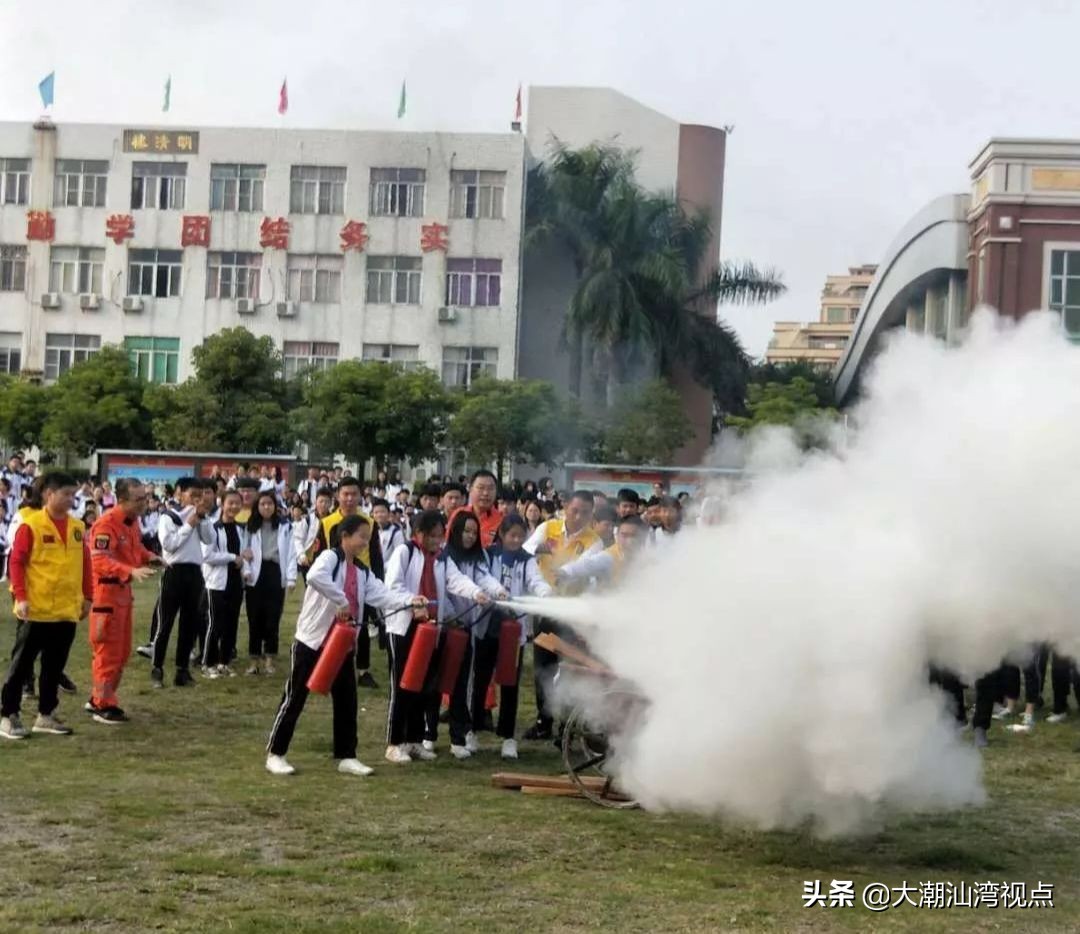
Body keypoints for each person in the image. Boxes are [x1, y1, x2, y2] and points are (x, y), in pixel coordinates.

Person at [266, 514, 428, 777]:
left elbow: (383, 595)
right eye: (361, 536)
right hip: (312, 640)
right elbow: (316, 577)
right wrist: (341, 600)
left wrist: (411, 600)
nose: (365, 542)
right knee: (295, 697)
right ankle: (276, 753)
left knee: (347, 701)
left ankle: (347, 755)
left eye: (368, 537)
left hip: (342, 643)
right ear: (345, 536)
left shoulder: (363, 572)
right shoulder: (330, 558)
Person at [383, 510, 496, 764]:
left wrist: (476, 592)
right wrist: (412, 601)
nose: (436, 541)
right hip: (404, 628)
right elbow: (392, 587)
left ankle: (413, 741)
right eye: (432, 536)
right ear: (418, 533)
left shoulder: (442, 559)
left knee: (423, 688)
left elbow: (456, 581)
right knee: (402, 687)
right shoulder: (406, 552)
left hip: (432, 630)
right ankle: (394, 742)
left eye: (439, 536)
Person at [0, 472, 90, 739]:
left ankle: (46, 714)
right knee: (22, 664)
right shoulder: (31, 524)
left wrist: (88, 596)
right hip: (36, 609)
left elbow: (86, 563)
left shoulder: (77, 527)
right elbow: (16, 562)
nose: (72, 500)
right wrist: (21, 596)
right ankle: (8, 714)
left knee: (54, 666)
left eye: (74, 495)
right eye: (66, 494)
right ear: (48, 494)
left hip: (66, 610)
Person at [522, 489, 602, 740]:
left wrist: (563, 571)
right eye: (575, 510)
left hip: (570, 611)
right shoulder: (548, 528)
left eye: (585, 513)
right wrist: (538, 547)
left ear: (592, 515)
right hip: (545, 607)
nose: (578, 517)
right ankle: (543, 720)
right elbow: (525, 550)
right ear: (566, 507)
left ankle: (566, 726)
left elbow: (583, 566)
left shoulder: (594, 541)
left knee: (569, 668)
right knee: (543, 666)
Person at [477, 514, 552, 759]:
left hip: (513, 632)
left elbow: (536, 581)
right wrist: (496, 591)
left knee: (510, 683)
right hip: (486, 626)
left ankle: (507, 737)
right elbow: (481, 578)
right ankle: (473, 730)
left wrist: (546, 595)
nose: (517, 540)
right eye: (512, 535)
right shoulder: (489, 555)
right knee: (480, 680)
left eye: (521, 536)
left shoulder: (526, 560)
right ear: (502, 534)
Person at [87, 478, 160, 723]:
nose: (144, 503)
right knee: (107, 652)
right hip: (106, 596)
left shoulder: (132, 523)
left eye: (145, 498)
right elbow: (100, 560)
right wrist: (129, 571)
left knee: (122, 653)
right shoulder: (106, 524)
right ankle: (102, 703)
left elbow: (136, 549)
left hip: (123, 596)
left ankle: (102, 697)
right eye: (138, 499)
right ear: (122, 499)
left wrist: (150, 557)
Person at [442, 508, 508, 759]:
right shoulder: (445, 556)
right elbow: (451, 583)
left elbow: (485, 578)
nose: (469, 537)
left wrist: (498, 591)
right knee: (437, 681)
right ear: (455, 532)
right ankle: (427, 733)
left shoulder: (478, 555)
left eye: (473, 532)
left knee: (463, 682)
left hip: (468, 628)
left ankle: (461, 735)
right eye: (465, 531)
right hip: (446, 625)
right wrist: (471, 596)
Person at [314, 477, 383, 689]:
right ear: (338, 496)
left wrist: (378, 580)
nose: (350, 498)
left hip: (364, 581)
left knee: (361, 626)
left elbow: (376, 555)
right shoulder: (326, 523)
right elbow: (318, 553)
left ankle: (363, 670)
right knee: (333, 625)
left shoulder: (369, 523)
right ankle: (329, 663)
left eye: (354, 494)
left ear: (360, 496)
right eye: (345, 494)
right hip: (337, 583)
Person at [151, 477, 214, 689]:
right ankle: (157, 667)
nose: (196, 500)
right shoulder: (169, 516)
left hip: (194, 573)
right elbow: (169, 545)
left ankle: (182, 670)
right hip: (174, 572)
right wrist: (188, 525)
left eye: (200, 495)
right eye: (192, 495)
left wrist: (202, 519)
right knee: (166, 622)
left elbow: (209, 540)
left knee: (189, 623)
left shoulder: (200, 516)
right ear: (180, 493)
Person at [242, 491, 298, 676]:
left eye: (270, 504)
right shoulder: (250, 526)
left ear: (275, 506)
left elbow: (291, 553)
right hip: (255, 574)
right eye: (263, 504)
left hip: (275, 572)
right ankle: (254, 660)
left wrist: (291, 578)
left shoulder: (285, 526)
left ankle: (269, 660)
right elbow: (245, 550)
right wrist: (246, 570)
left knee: (272, 618)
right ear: (257, 506)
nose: (266, 507)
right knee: (254, 618)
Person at [200, 489, 246, 678]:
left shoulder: (240, 529)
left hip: (235, 582)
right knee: (215, 624)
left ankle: (224, 662)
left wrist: (243, 563)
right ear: (222, 504)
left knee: (231, 624)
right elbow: (207, 556)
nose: (234, 507)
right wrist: (232, 557)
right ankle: (207, 663)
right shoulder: (212, 527)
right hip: (216, 583)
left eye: (237, 503)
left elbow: (244, 555)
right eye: (230, 503)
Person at [556, 514, 647, 588]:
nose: (629, 541)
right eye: (624, 535)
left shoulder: (647, 558)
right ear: (617, 535)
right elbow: (588, 564)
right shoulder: (609, 557)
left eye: (634, 536)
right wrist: (565, 571)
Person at [467, 470, 502, 548]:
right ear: (470, 489)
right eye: (481, 488)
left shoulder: (502, 521)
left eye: (491, 488)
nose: (486, 493)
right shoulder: (458, 515)